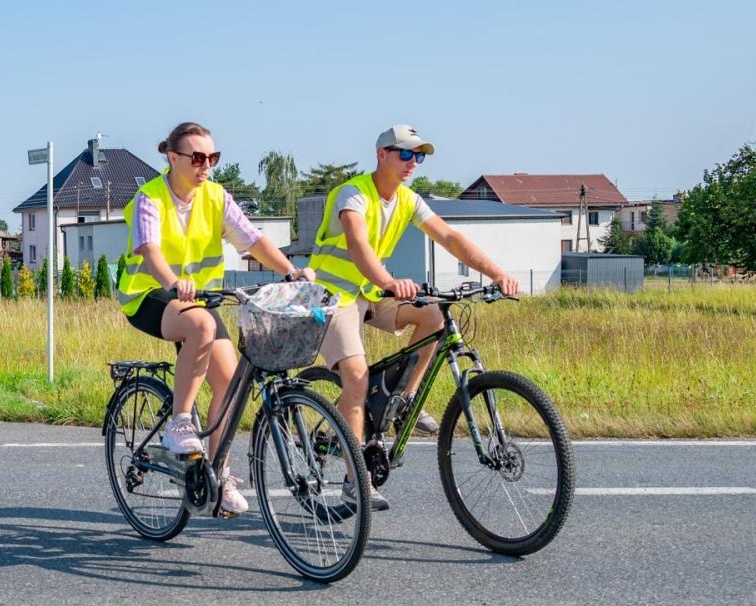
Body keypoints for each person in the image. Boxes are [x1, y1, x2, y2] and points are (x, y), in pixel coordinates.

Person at [309, 124, 521, 510]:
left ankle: (404, 400)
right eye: (405, 154)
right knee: (355, 378)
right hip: (333, 296)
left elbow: (450, 238)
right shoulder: (353, 194)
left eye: (418, 156)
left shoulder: (408, 199)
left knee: (433, 316)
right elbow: (358, 245)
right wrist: (389, 280)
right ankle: (354, 481)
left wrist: (497, 274)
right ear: (382, 155)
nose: (412, 163)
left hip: (371, 293)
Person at [117, 121, 313, 517]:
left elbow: (253, 240)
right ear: (173, 159)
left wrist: (290, 272)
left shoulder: (216, 197)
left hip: (197, 299)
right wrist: (174, 283)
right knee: (202, 325)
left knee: (232, 387)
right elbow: (150, 252)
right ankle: (180, 423)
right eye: (197, 157)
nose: (206, 165)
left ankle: (218, 475)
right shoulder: (149, 198)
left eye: (213, 157)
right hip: (149, 296)